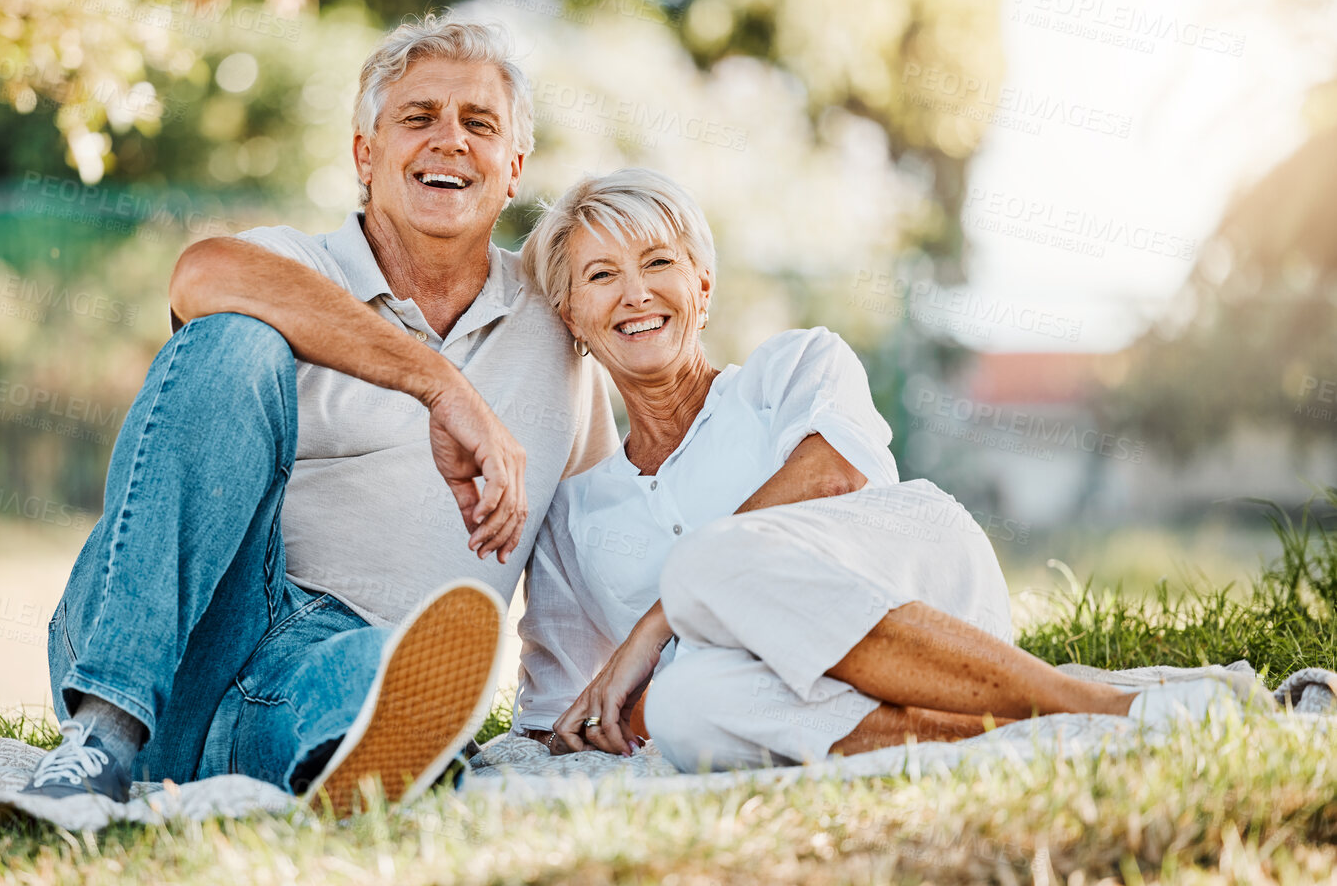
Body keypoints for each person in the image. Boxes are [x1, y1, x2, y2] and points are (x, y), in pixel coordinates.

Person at [23, 16, 618, 810]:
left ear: (512, 169)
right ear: (364, 154)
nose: (449, 141)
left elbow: (596, 535)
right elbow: (201, 272)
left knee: (380, 671)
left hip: (317, 679)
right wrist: (441, 385)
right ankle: (100, 732)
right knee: (234, 340)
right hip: (191, 642)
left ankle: (369, 750)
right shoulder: (300, 266)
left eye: (478, 124)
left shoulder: (557, 327)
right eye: (417, 118)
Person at [512, 168, 1259, 771]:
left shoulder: (792, 366)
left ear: (702, 287)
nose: (635, 292)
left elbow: (833, 475)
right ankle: (992, 729)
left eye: (657, 262)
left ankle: (1093, 707)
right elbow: (565, 712)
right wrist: (637, 701)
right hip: (777, 690)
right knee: (681, 710)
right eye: (601, 275)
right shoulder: (575, 517)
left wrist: (656, 624)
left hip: (926, 598)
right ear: (572, 317)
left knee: (702, 564)